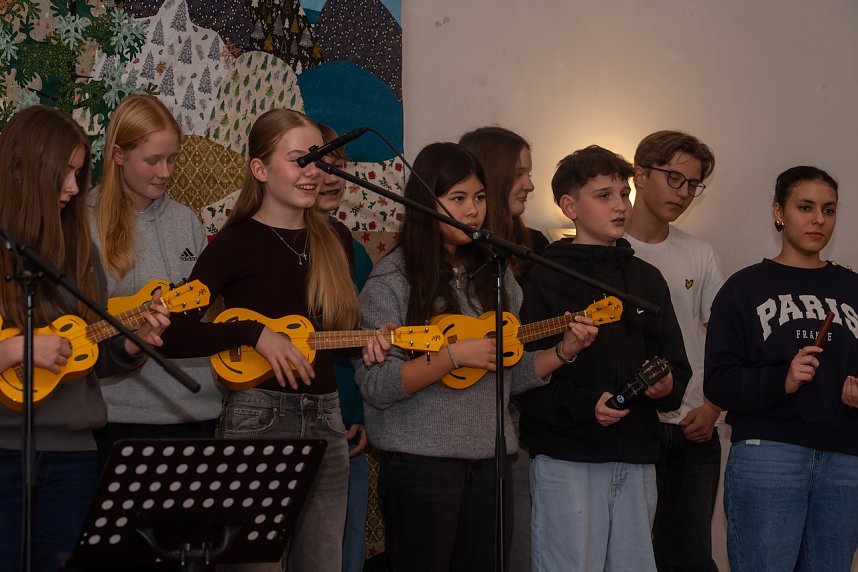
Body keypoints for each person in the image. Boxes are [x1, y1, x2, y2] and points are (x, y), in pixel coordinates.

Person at [159, 108, 390, 572]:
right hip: (255, 423)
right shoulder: (233, 243)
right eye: (299, 160)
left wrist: (368, 343)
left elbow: (326, 342)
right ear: (260, 169)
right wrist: (252, 332)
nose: (313, 171)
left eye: (319, 159)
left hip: (327, 423)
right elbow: (173, 334)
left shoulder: (336, 239)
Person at [353, 142, 598, 572]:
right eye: (458, 199)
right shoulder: (392, 281)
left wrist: (562, 352)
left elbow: (510, 371)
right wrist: (451, 357)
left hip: (492, 463)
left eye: (480, 198)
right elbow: (376, 386)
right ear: (424, 204)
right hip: (421, 469)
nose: (472, 211)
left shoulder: (496, 276)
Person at [0, 105, 170, 572]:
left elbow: (89, 358)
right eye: (64, 173)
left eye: (78, 173)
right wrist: (14, 350)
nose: (74, 188)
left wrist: (131, 344)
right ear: (22, 169)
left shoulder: (79, 250)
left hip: (72, 457)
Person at [517, 145, 691, 571]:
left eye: (624, 193)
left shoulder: (647, 279)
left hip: (636, 456)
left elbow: (675, 361)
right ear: (569, 206)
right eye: (604, 195)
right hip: (567, 458)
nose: (620, 206)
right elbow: (523, 380)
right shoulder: (542, 277)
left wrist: (668, 387)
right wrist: (583, 406)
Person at [704, 166, 858, 571]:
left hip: (846, 457)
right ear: (779, 212)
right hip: (768, 454)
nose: (818, 220)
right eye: (805, 207)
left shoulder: (853, 288)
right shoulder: (744, 287)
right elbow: (718, 383)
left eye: (829, 210)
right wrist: (781, 380)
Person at [89, 94, 222, 467]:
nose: (165, 171)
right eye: (152, 160)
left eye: (172, 158)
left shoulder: (187, 222)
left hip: (196, 416)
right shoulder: (84, 223)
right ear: (118, 155)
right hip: (119, 421)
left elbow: (205, 317)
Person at [624, 130, 722, 572]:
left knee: (690, 555)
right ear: (639, 175)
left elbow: (724, 339)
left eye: (692, 185)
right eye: (673, 178)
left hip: (693, 426)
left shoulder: (698, 253)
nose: (683, 193)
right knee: (630, 552)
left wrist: (714, 406)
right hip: (630, 427)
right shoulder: (606, 252)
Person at [458, 125, 550, 572]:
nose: (531, 184)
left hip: (529, 432)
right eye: (519, 173)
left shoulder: (538, 248)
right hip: (470, 435)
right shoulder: (452, 261)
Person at [315, 122, 373, 572]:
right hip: (285, 425)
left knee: (343, 552)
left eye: (338, 166)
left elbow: (359, 346)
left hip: (346, 427)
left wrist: (359, 416)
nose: (333, 177)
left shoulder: (352, 249)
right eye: (320, 165)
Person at [458, 126, 549, 282]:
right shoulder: (460, 247)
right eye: (518, 174)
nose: (530, 185)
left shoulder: (535, 244)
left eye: (529, 174)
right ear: (490, 177)